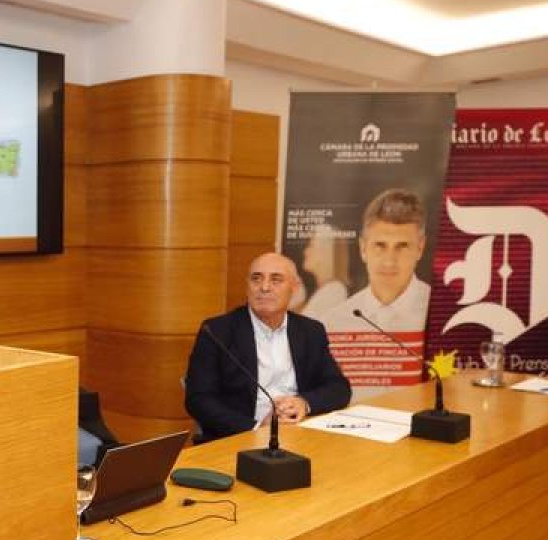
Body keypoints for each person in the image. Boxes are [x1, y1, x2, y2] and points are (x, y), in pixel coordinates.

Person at [184, 252, 351, 440]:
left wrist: (304, 403)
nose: (264, 287)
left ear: (294, 287)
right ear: (247, 287)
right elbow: (198, 399)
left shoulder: (310, 331)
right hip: (240, 436)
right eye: (256, 279)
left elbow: (339, 388)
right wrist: (257, 428)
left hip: (300, 433)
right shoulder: (217, 331)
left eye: (276, 280)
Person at [319, 188, 430, 331]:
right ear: (363, 248)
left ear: (420, 248)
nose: (389, 261)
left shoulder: (443, 317)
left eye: (402, 246)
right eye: (380, 245)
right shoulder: (333, 323)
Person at [297, 223, 351, 319]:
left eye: (311, 245)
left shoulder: (333, 292)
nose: (305, 251)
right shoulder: (329, 290)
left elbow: (303, 330)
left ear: (324, 252)